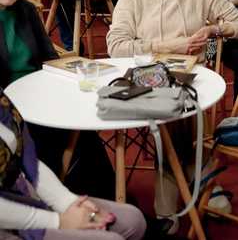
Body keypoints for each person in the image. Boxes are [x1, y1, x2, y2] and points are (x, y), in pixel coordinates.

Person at [106, 0, 238, 229]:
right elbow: (116, 46)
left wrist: (213, 29)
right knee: (174, 113)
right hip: (145, 76)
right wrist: (169, 46)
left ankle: (168, 206)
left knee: (179, 109)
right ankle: (202, 178)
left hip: (189, 77)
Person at [0, 0, 116, 200]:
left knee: (82, 126)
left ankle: (105, 200)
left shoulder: (27, 10)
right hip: (7, 102)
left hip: (39, 89)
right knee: (44, 134)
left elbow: (50, 56)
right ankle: (56, 201)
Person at [0, 87, 146, 240]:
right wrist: (59, 221)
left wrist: (68, 202)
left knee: (133, 220)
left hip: (22, 193)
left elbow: (26, 158)